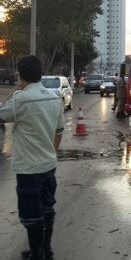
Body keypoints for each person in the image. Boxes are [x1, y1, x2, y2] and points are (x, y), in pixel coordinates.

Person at [0, 55, 64, 260]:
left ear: (21, 74)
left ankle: (37, 254)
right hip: (48, 165)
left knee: (30, 214)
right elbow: (59, 132)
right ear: (40, 73)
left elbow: (1, 113)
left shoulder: (20, 99)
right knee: (47, 208)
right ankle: (46, 249)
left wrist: (14, 91)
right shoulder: (54, 97)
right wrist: (51, 154)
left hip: (28, 168)